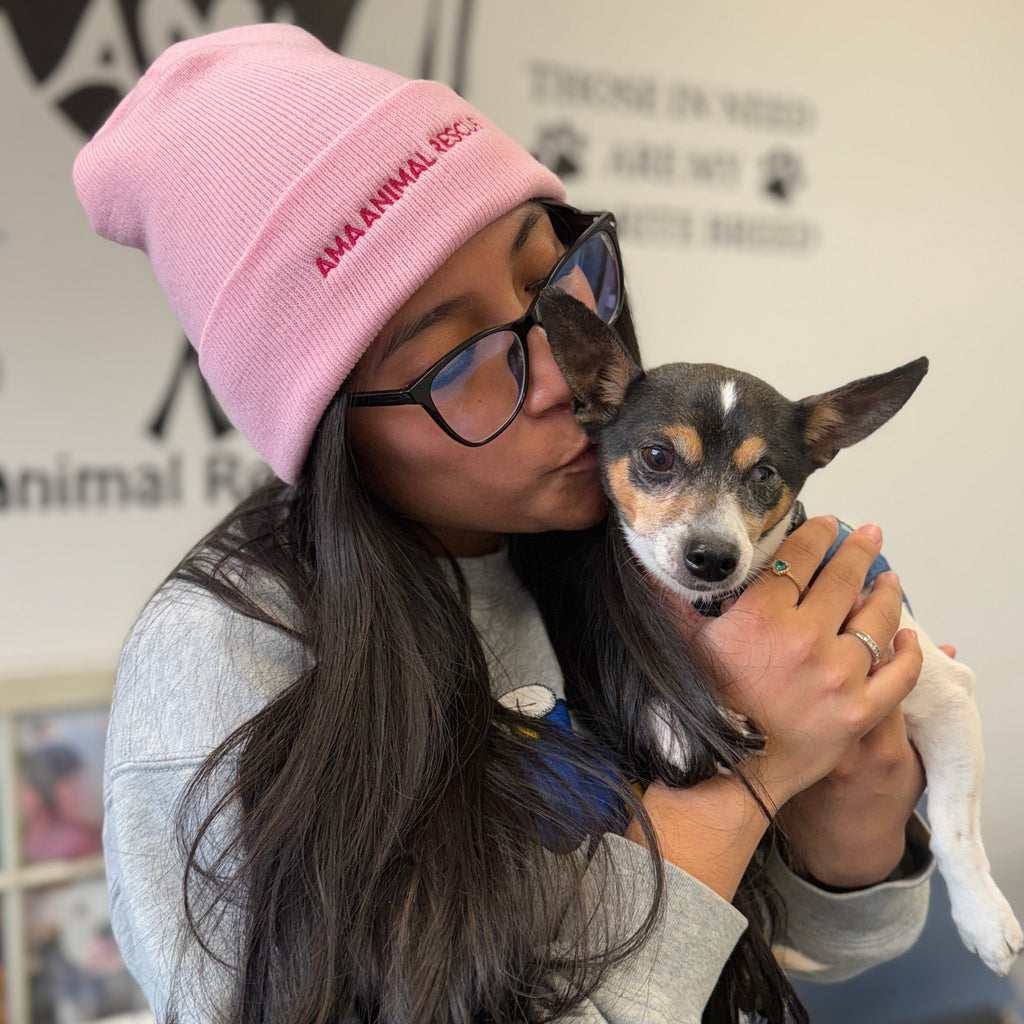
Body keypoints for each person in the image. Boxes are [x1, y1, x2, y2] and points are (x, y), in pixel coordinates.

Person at [73, 23, 933, 1024]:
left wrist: (859, 801)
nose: (564, 376)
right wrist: (748, 778)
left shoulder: (625, 544)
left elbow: (826, 943)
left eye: (549, 281)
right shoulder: (231, 659)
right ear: (330, 430)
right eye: (456, 355)